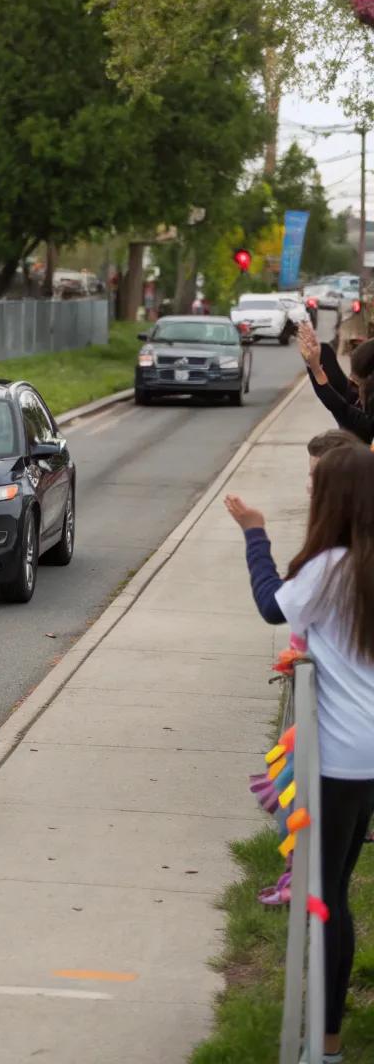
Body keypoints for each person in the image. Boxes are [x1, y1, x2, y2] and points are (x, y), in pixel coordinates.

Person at [225, 445, 374, 1064]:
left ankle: (325, 1044)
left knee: (327, 895)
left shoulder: (331, 567)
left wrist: (255, 533)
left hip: (338, 753)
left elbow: (270, 604)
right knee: (333, 887)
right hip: (365, 752)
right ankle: (328, 1038)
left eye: (317, 488)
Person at [299, 323, 374, 443]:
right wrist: (315, 363)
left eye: (356, 383)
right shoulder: (362, 401)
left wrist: (316, 370)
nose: (353, 385)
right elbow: (342, 391)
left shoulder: (367, 423)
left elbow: (341, 408)